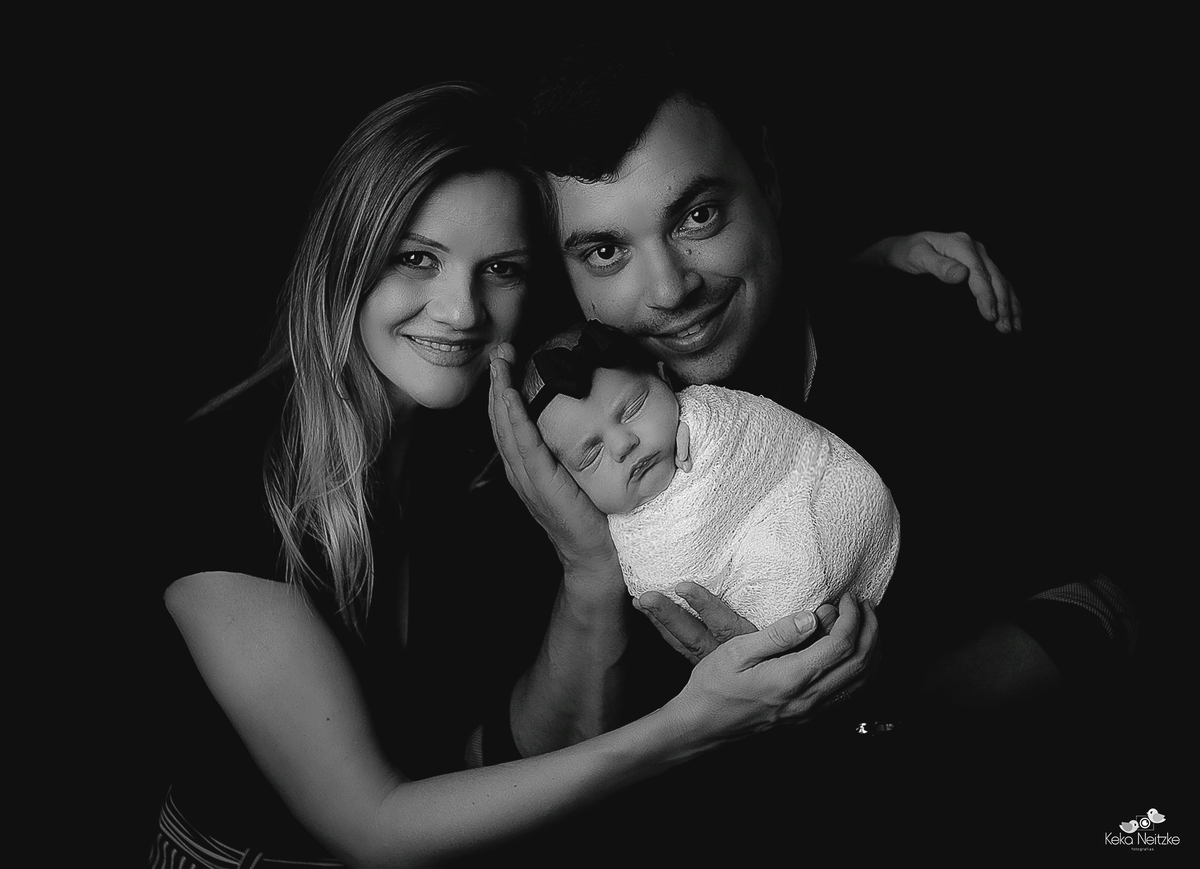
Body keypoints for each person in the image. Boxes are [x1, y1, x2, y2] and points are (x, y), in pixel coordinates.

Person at [148, 82, 882, 866]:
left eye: (499, 268)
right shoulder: (221, 473)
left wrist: (861, 280)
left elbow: (506, 749)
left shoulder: (494, 431)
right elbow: (373, 828)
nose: (461, 310)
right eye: (416, 259)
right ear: (346, 257)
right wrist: (692, 724)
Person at [486, 44, 1137, 729]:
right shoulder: (559, 463)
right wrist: (589, 574)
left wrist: (865, 710)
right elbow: (515, 762)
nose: (670, 289)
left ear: (767, 179)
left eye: (699, 216)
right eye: (606, 251)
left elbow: (1108, 603)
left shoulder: (930, 335)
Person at [520, 319, 900, 630]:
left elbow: (774, 441)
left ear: (665, 380)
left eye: (634, 408)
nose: (622, 444)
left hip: (816, 491)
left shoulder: (710, 418)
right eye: (591, 455)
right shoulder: (620, 541)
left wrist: (706, 424)